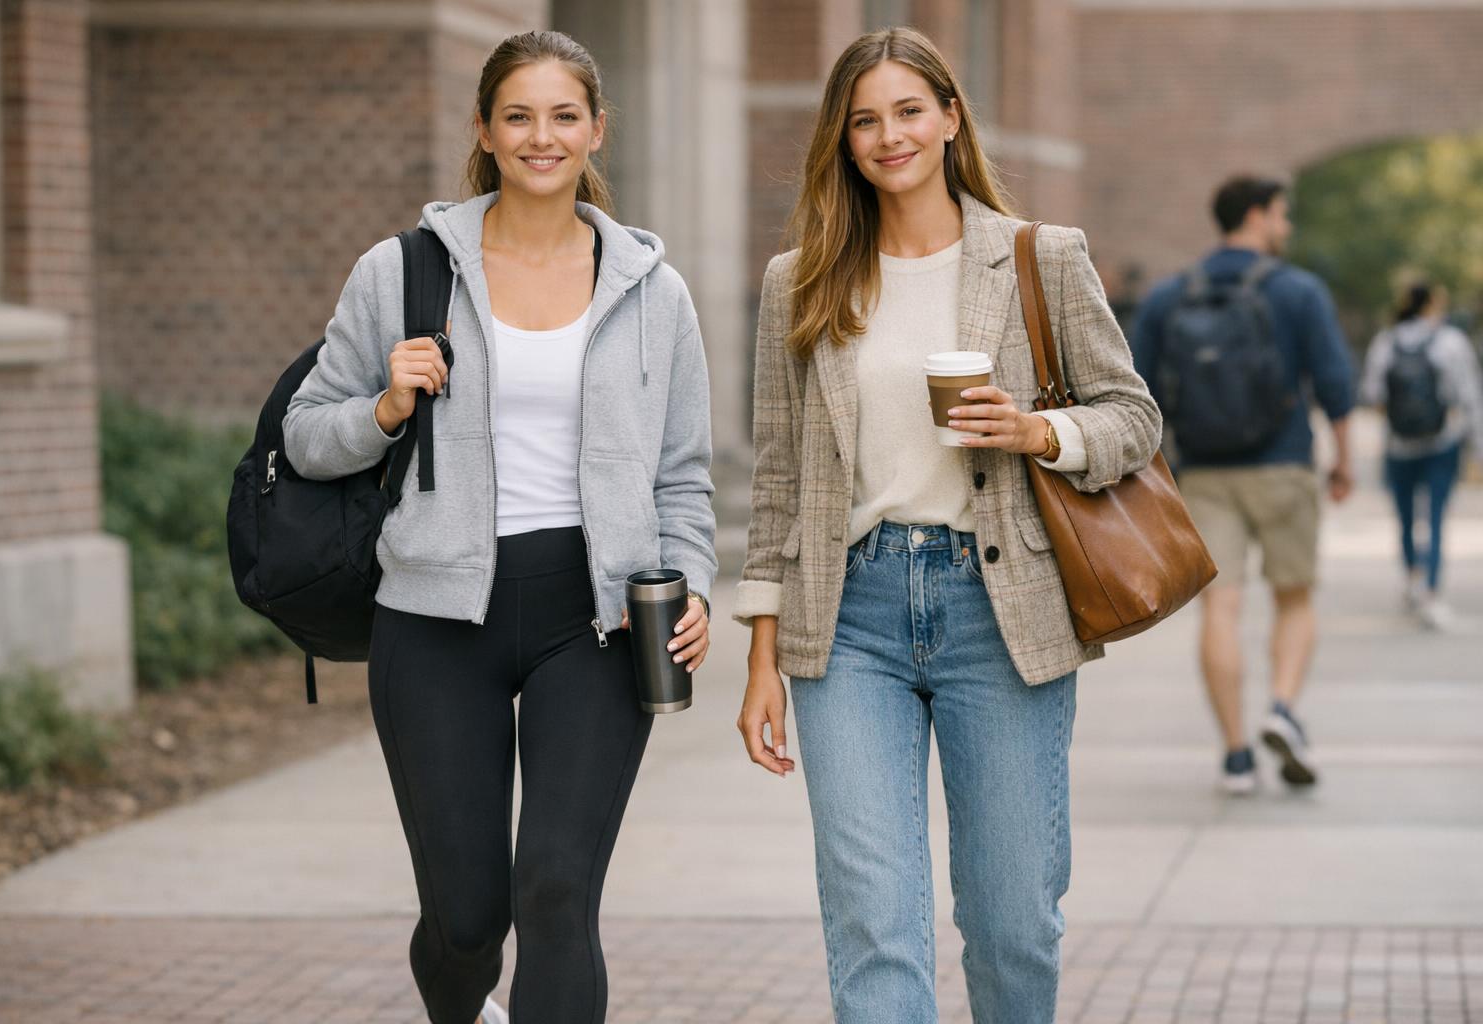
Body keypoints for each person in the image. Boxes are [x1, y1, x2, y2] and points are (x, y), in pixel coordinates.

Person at [284, 31, 716, 1024]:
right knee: (467, 919)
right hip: (435, 620)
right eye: (518, 114)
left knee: (558, 892)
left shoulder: (654, 290)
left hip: (598, 621)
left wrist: (689, 579)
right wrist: (384, 408)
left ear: (597, 129)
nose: (541, 136)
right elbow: (308, 438)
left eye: (564, 115)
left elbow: (682, 473)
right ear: (483, 128)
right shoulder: (400, 272)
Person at [733, 27, 1161, 1024]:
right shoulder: (800, 280)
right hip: (849, 617)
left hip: (1000, 608)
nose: (890, 136)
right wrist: (763, 653)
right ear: (842, 139)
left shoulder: (1037, 259)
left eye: (909, 111)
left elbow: (1133, 417)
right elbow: (780, 480)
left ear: (952, 116)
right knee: (873, 922)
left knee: (1014, 922)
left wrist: (1035, 429)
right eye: (865, 119)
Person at [1131, 175, 1357, 796]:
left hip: (1201, 472)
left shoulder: (1170, 296)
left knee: (1221, 609)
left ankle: (1235, 755)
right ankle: (1281, 709)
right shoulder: (1299, 291)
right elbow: (1336, 384)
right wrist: (1344, 461)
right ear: (1257, 216)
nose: (1285, 227)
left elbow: (1132, 391)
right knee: (1294, 597)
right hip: (1283, 465)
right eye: (1281, 216)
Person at [1361, 281, 1483, 630]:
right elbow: (1468, 396)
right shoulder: (1450, 342)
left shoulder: (1386, 342)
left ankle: (1413, 577)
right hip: (1441, 445)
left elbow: (1372, 393)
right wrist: (1477, 446)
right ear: (1432, 305)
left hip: (1399, 446)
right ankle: (1430, 590)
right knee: (1435, 517)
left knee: (1404, 517)